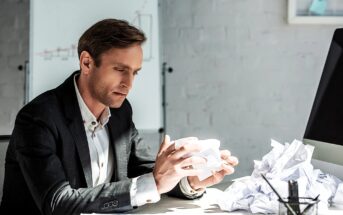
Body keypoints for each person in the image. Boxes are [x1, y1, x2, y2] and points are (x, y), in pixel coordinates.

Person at [0, 19, 238, 215]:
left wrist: (188, 179)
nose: (129, 84)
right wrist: (154, 182)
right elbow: (57, 202)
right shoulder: (38, 118)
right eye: (120, 69)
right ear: (87, 62)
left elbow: (146, 172)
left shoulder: (121, 112)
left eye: (134, 72)